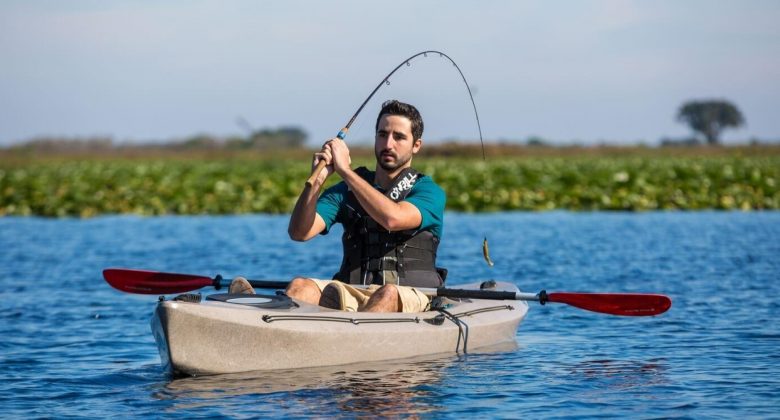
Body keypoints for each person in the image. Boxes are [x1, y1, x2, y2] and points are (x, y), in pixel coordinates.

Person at [230, 100, 446, 312]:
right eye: (382, 135)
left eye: (399, 137)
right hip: (353, 289)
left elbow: (393, 218)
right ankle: (260, 320)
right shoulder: (346, 191)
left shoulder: (428, 191)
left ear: (416, 145)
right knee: (299, 286)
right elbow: (299, 232)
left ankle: (348, 334)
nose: (388, 144)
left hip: (412, 294)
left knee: (387, 293)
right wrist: (316, 181)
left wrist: (345, 171)